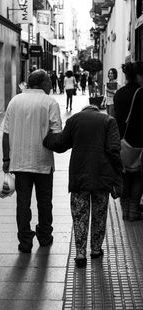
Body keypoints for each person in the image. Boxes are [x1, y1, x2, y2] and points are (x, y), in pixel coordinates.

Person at [43, 105, 123, 268]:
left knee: (80, 215)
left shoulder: (74, 120)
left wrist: (46, 138)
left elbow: (60, 144)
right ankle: (95, 250)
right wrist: (118, 172)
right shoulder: (109, 121)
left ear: (84, 110)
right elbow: (114, 149)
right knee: (99, 214)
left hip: (79, 176)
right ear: (95, 110)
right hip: (102, 177)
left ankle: (80, 253)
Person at [2, 69, 62, 253]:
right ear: (43, 83)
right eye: (50, 83)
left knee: (23, 202)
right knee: (44, 201)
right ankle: (44, 236)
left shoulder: (15, 101)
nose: (51, 86)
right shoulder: (50, 102)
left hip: (19, 162)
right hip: (42, 162)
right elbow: (57, 134)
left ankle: (25, 242)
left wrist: (6, 159)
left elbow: (6, 134)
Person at [114, 61, 143, 221]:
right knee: (138, 176)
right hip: (138, 140)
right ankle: (133, 211)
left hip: (121, 141)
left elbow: (115, 117)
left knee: (124, 176)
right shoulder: (141, 93)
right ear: (138, 76)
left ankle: (124, 211)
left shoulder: (119, 94)